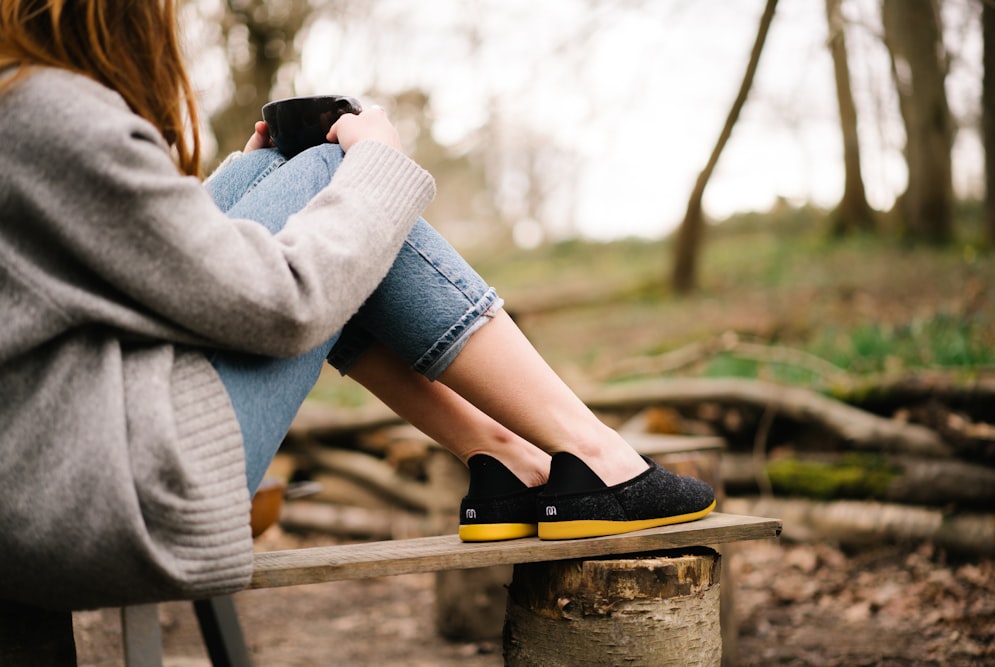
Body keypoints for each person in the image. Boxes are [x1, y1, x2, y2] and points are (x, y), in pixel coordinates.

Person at [0, 0, 714, 611]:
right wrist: (375, 164)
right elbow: (284, 304)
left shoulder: (24, 108)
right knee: (342, 175)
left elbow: (138, 263)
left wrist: (255, 182)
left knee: (284, 174)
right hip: (116, 496)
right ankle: (593, 455)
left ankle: (503, 456)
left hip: (64, 473)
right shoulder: (44, 110)